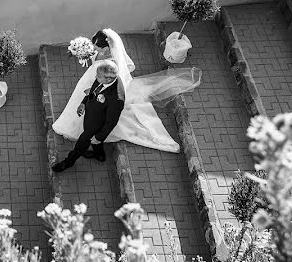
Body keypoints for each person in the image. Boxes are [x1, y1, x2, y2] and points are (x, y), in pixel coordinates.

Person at [51, 28, 202, 156]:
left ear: (107, 48)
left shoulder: (112, 65)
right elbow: (92, 57)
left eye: (97, 47)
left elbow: (109, 83)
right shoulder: (98, 51)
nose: (94, 49)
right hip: (92, 78)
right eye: (94, 45)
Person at [52, 60, 124, 171]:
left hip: (96, 125)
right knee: (94, 142)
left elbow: (111, 121)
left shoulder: (116, 99)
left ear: (108, 79)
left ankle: (68, 162)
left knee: (81, 143)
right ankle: (99, 154)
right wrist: (83, 103)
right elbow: (93, 91)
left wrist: (99, 137)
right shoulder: (104, 79)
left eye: (98, 76)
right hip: (90, 116)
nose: (96, 77)